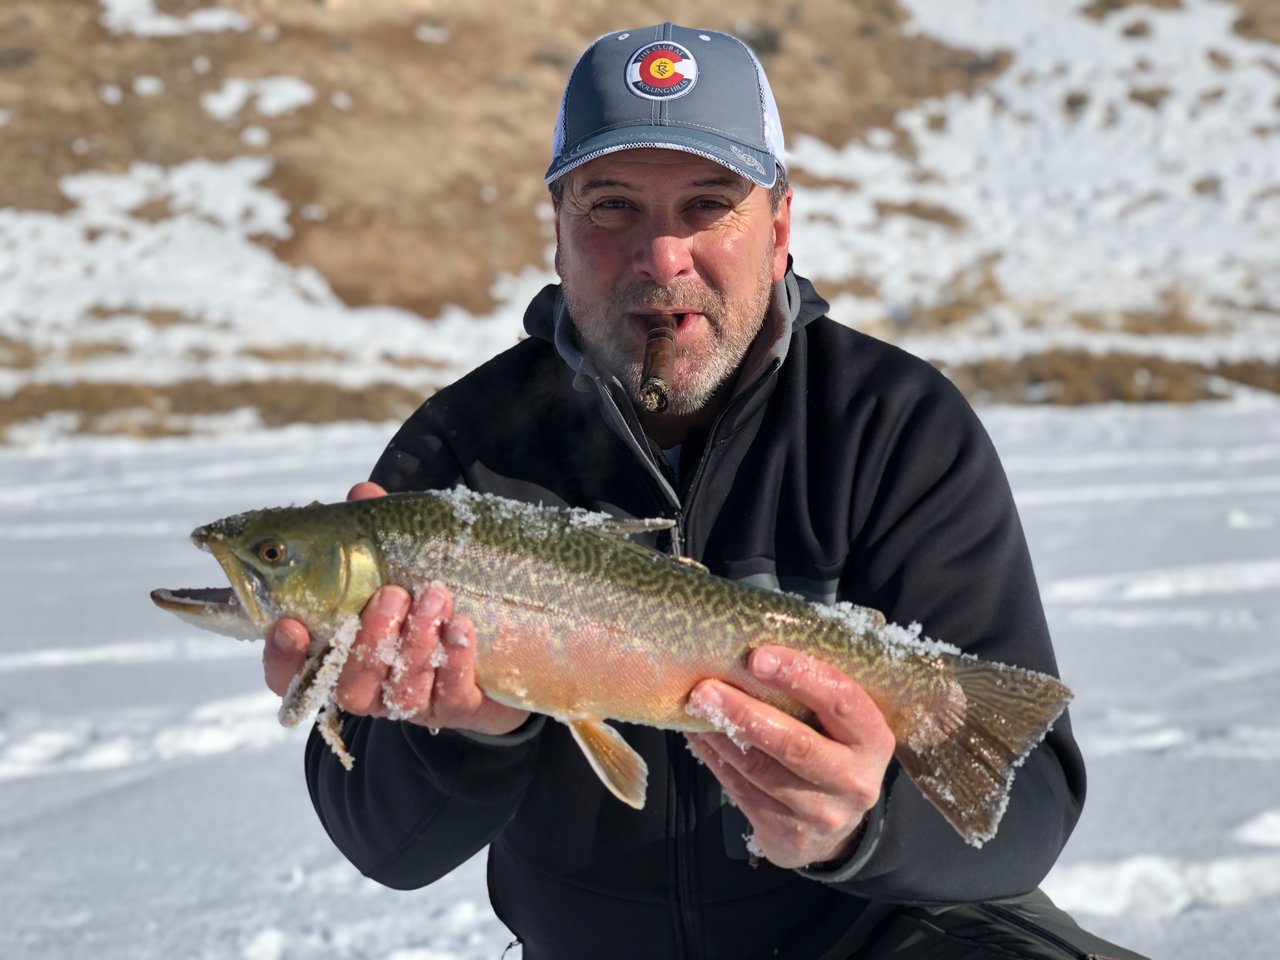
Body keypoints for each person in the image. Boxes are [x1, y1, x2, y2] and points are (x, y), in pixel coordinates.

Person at [265, 23, 1146, 960]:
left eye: (707, 205)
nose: (661, 256)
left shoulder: (894, 424)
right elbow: (386, 847)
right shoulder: (461, 449)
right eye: (611, 206)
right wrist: (471, 734)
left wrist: (863, 824)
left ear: (779, 231)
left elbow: (1023, 813)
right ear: (558, 232)